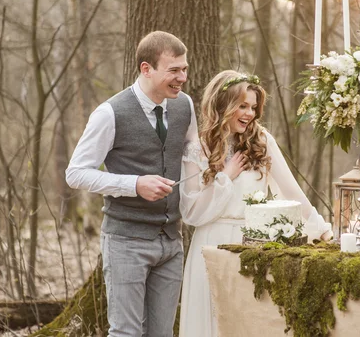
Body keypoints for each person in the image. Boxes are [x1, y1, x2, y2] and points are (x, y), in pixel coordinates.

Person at [178, 70, 333, 337]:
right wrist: (226, 176)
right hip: (210, 245)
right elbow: (191, 212)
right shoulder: (198, 147)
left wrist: (322, 229)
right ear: (223, 103)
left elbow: (293, 192)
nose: (249, 113)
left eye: (253, 107)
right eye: (242, 105)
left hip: (252, 247)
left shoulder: (261, 142)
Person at [65, 31, 197, 337]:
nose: (182, 78)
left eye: (185, 69)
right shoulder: (109, 113)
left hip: (172, 242)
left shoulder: (184, 106)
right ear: (146, 69)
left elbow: (195, 154)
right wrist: (134, 184)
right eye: (174, 70)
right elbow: (76, 173)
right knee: (125, 333)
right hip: (126, 242)